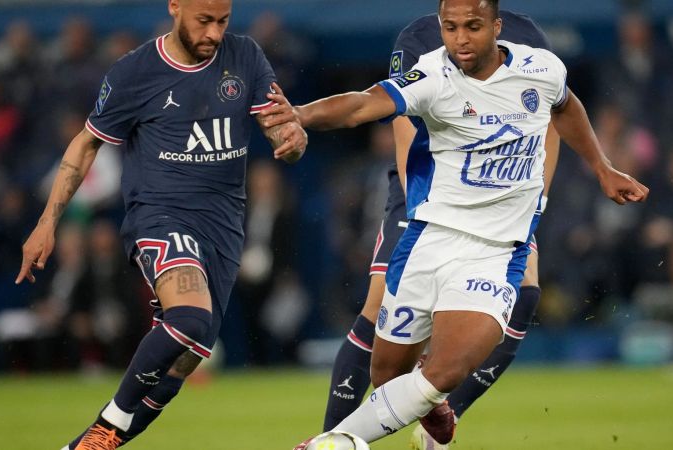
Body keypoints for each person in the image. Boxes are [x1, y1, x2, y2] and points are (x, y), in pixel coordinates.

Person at [265, 0, 648, 446]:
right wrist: (303, 114)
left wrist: (601, 169)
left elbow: (563, 107)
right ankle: (428, 411)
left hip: (494, 249)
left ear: (496, 27)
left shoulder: (538, 64)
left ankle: (332, 443)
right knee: (388, 373)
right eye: (451, 28)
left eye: (473, 27)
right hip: (429, 233)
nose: (461, 39)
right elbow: (366, 106)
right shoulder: (429, 69)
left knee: (445, 368)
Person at [15, 1, 307, 449]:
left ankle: (82, 448)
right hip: (160, 215)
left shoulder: (245, 56)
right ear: (175, 7)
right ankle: (107, 425)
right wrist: (47, 221)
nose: (213, 33)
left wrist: (291, 138)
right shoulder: (135, 72)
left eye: (222, 21)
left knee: (184, 359)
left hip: (224, 227)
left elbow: (278, 126)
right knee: (189, 317)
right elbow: (86, 145)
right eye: (203, 21)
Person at [319, 8, 564, 449]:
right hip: (428, 191)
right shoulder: (416, 37)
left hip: (502, 196)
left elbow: (551, 120)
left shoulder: (528, 35)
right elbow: (402, 124)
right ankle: (331, 439)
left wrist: (535, 202)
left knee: (525, 291)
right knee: (378, 314)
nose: (462, 34)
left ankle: (439, 423)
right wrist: (426, 210)